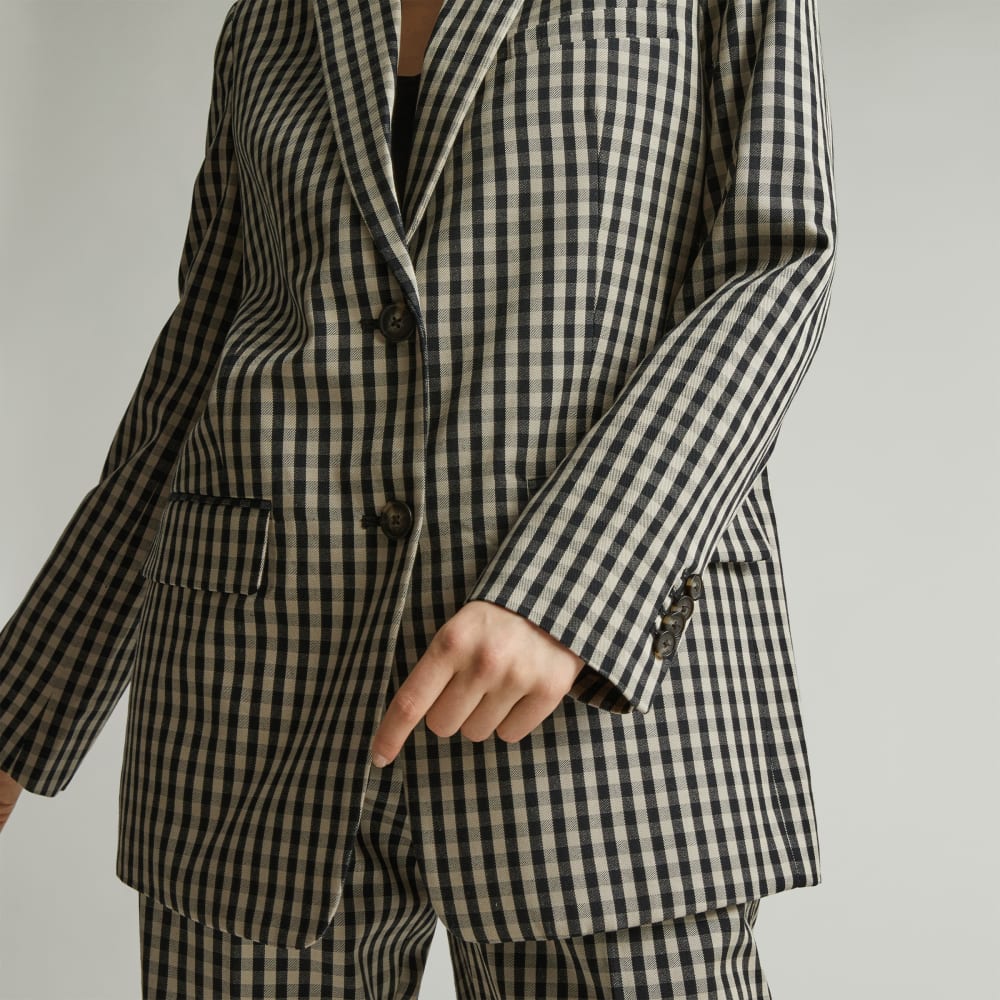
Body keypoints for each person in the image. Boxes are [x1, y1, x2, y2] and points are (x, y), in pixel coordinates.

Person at [0, 0, 838, 996]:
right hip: (250, 701)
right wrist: (23, 706)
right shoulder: (269, 17)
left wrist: (571, 590)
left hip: (591, 705)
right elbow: (200, 352)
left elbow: (775, 263)